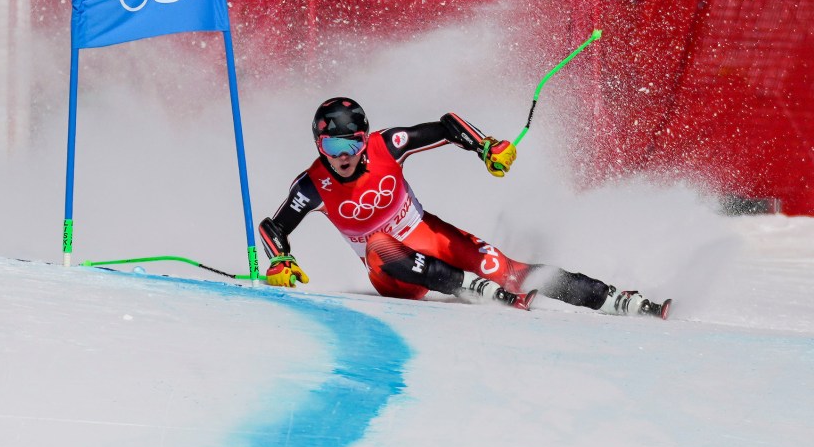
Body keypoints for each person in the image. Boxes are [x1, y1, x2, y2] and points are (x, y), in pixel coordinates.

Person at [258, 97, 671, 318]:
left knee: (508, 271)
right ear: (319, 146)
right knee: (378, 243)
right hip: (394, 274)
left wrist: (485, 146)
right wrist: (280, 260)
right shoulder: (314, 183)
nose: (342, 155)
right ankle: (465, 286)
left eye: (352, 144)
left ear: (366, 140)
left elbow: (445, 124)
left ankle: (614, 298)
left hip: (431, 237)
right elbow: (273, 227)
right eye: (332, 146)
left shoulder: (388, 145)